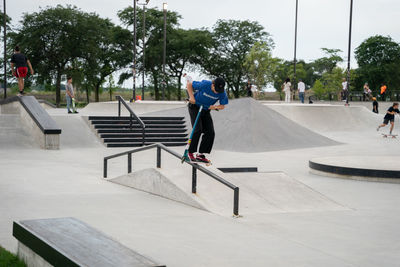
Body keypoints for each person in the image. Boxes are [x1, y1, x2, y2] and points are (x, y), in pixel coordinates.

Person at [185, 74, 228, 163]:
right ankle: (190, 152)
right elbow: (189, 85)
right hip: (195, 106)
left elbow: (222, 106)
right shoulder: (205, 84)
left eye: (219, 91)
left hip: (205, 109)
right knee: (198, 129)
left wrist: (214, 107)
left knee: (210, 132)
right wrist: (191, 97)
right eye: (216, 90)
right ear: (212, 85)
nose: (217, 92)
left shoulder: (222, 93)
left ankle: (200, 154)